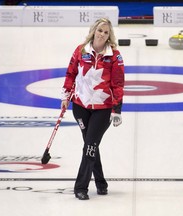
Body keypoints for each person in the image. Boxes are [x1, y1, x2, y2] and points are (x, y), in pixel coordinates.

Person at [61, 18, 125, 200]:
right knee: (92, 145)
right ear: (94, 31)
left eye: (106, 32)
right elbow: (71, 73)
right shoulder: (81, 50)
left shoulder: (115, 56)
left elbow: (118, 84)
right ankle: (101, 183)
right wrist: (66, 96)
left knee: (89, 146)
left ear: (109, 35)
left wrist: (117, 110)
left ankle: (80, 187)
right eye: (100, 31)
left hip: (102, 109)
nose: (102, 35)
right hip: (80, 107)